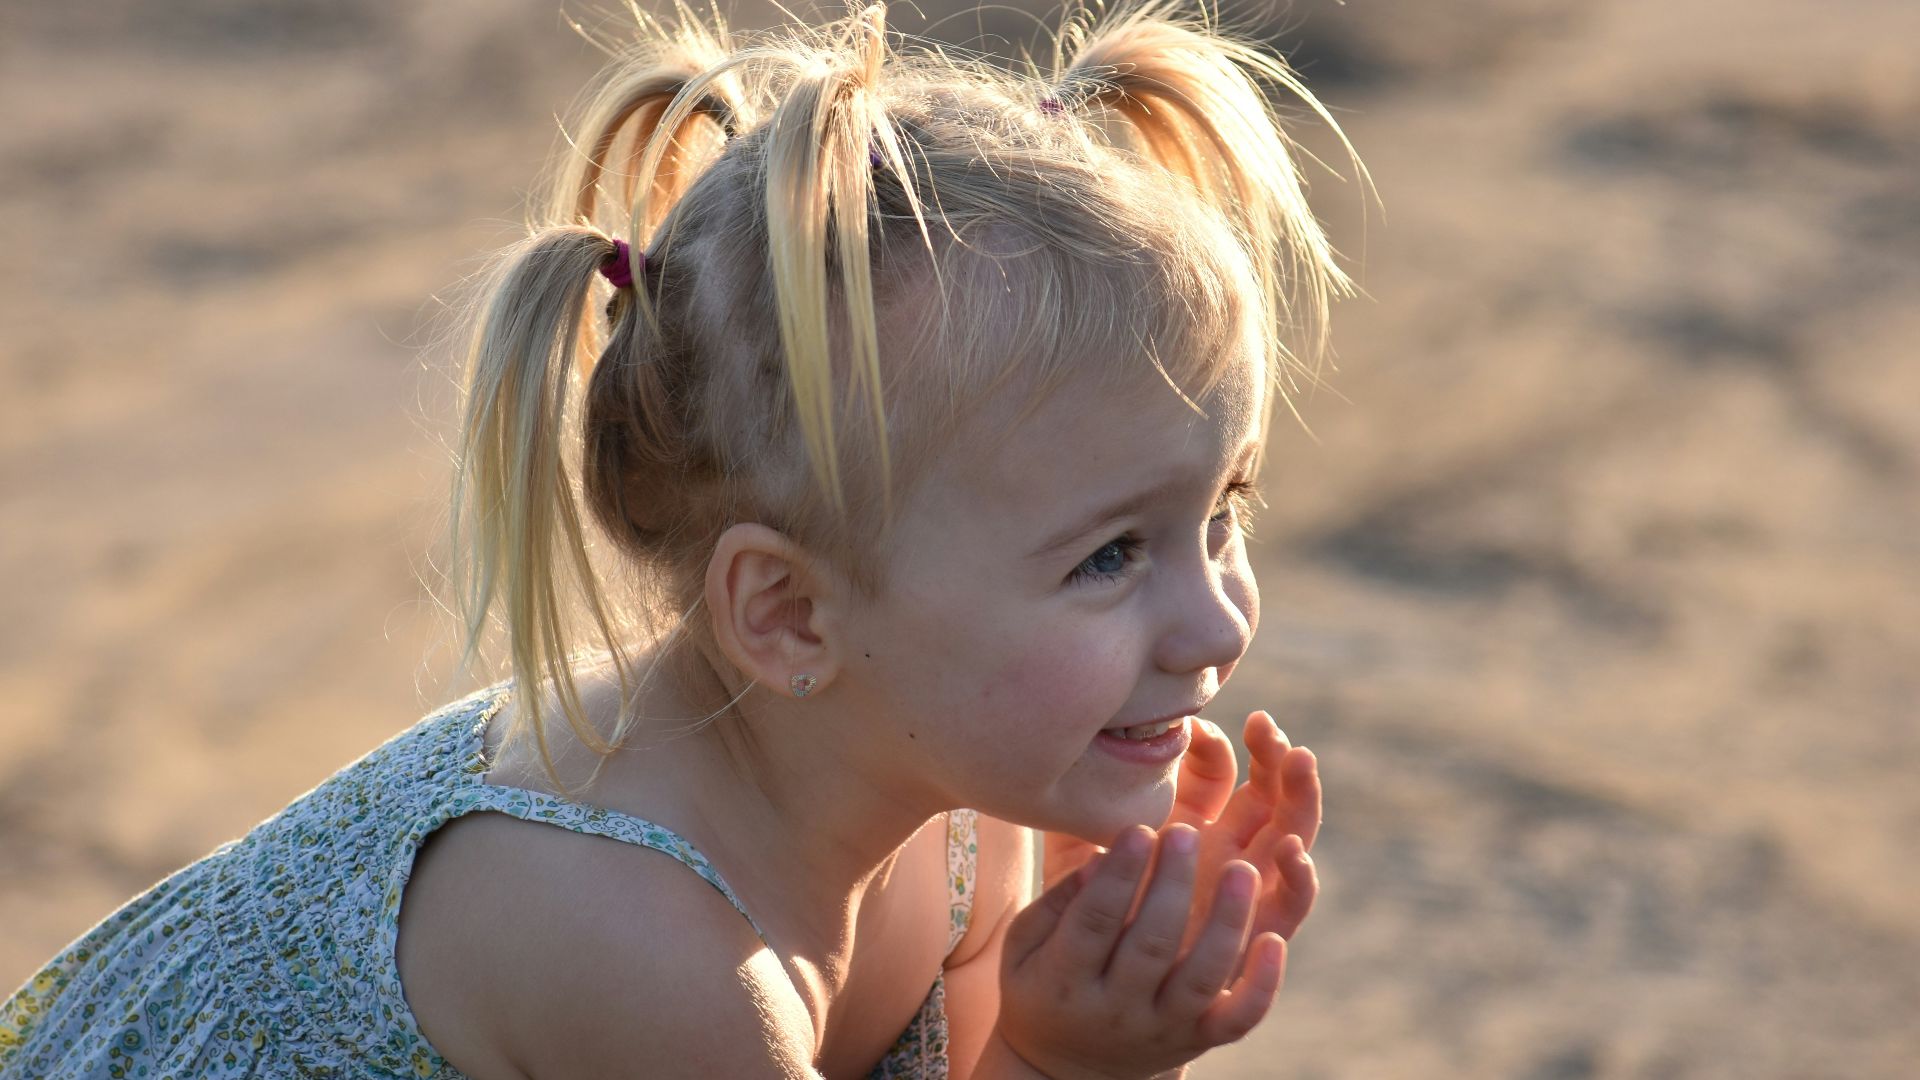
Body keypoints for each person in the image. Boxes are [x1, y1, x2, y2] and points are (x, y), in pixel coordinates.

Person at [0, 0, 1361, 1075]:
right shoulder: (650, 952)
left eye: (1221, 512)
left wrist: (1103, 989)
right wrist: (1072, 1065)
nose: (1223, 621)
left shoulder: (950, 804)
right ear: (787, 616)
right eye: (1110, 557)